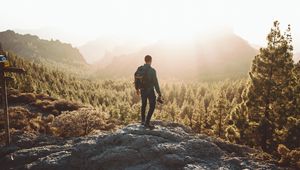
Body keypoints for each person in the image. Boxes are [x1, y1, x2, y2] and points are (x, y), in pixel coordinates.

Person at [135, 55, 161, 129]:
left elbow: (136, 79)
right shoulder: (152, 71)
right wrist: (159, 93)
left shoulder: (140, 69)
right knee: (152, 106)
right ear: (151, 61)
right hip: (150, 90)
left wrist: (137, 89)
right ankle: (147, 122)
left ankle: (143, 121)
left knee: (143, 104)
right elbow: (156, 83)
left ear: (145, 60)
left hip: (142, 90)